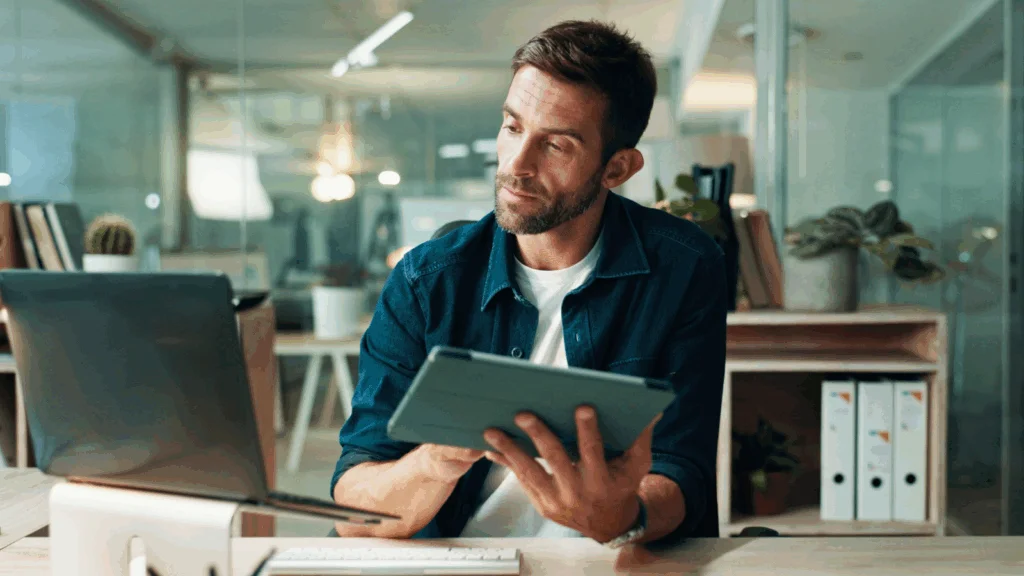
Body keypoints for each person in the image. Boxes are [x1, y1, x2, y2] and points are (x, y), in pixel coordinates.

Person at [330, 19, 727, 548]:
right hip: (461, 557)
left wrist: (625, 515)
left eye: (556, 145)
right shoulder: (426, 280)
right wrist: (435, 461)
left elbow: (683, 470)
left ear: (617, 169)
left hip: (613, 562)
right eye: (513, 127)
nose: (517, 166)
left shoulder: (684, 266)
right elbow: (356, 508)